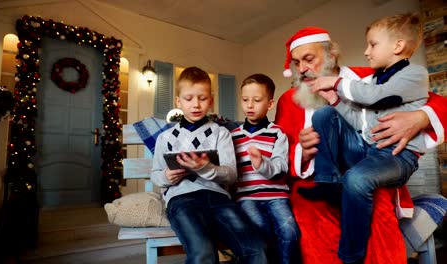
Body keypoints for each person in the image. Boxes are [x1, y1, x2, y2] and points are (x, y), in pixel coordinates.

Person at [275, 26, 447, 264]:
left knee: (376, 210)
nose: (302, 68)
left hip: (367, 168)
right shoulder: (287, 100)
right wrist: (300, 153)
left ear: (331, 55)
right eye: (296, 63)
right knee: (312, 217)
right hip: (313, 182)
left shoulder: (370, 77)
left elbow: (439, 102)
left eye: (309, 59)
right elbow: (278, 149)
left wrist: (421, 117)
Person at [302, 13, 427, 263]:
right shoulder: (372, 80)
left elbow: (375, 97)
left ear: (398, 46)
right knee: (325, 114)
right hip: (367, 146)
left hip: (397, 156)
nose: (367, 52)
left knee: (357, 178)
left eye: (373, 44)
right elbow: (360, 122)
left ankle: (351, 255)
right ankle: (327, 182)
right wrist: (334, 100)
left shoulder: (415, 75)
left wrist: (336, 83)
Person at [150, 66, 267, 264]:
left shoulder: (220, 133)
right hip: (182, 199)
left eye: (202, 98)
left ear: (211, 101)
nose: (196, 104)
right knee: (203, 252)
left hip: (218, 198)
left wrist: (205, 168)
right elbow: (155, 173)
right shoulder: (165, 137)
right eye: (188, 99)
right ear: (178, 101)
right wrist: (166, 176)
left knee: (256, 248)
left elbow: (231, 175)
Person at [231, 73, 299, 264]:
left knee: (289, 230)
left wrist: (262, 165)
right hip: (247, 197)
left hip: (276, 195)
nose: (249, 105)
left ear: (269, 104)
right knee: (260, 227)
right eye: (245, 100)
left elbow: (281, 167)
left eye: (257, 100)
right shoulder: (233, 135)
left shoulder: (277, 133)